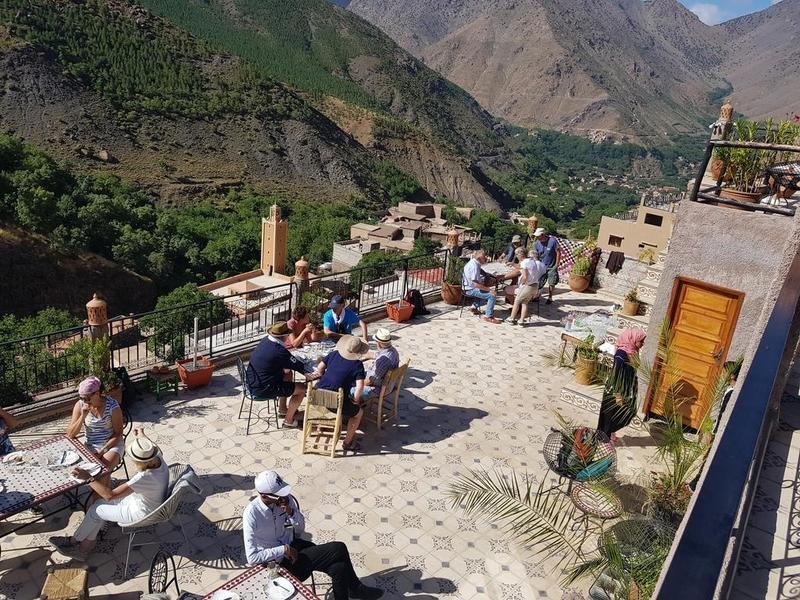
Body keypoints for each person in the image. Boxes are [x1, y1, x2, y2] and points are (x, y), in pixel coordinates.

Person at [243, 470, 383, 600]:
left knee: (339, 567)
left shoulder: (285, 500)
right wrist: (284, 549)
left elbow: (300, 530)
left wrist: (291, 513)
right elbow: (252, 557)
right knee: (339, 548)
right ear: (265, 496)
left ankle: (353, 590)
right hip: (279, 564)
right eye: (278, 494)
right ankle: (356, 589)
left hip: (294, 546)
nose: (283, 496)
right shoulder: (251, 514)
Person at [49, 431, 169, 560]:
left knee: (95, 510)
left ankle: (74, 542)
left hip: (142, 512)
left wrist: (88, 478)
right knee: (98, 505)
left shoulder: (144, 477)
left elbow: (109, 495)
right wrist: (141, 434)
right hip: (146, 502)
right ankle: (86, 546)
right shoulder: (158, 458)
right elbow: (149, 446)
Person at [247, 322, 318, 429]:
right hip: (263, 388)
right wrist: (309, 373)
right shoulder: (279, 351)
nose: (288, 337)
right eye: (287, 335)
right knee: (302, 389)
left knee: (288, 373)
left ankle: (283, 409)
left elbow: (287, 362)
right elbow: (297, 364)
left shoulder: (266, 340)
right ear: (283, 336)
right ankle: (288, 421)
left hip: (253, 381)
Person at [312, 336, 368, 452]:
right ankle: (348, 443)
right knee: (359, 413)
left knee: (344, 403)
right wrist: (356, 401)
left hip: (317, 396)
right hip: (335, 402)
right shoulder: (357, 365)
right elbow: (359, 387)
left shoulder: (334, 354)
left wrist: (323, 376)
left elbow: (320, 367)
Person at [67, 376, 124, 475]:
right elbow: (71, 434)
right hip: (90, 445)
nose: (85, 401)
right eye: (82, 398)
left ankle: (102, 485)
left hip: (111, 445)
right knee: (79, 471)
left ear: (97, 393)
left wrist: (102, 451)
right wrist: (83, 416)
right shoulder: (80, 405)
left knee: (102, 470)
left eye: (87, 398)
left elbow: (118, 434)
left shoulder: (112, 406)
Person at [597, 328, 647, 441]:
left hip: (626, 390)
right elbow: (616, 373)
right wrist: (618, 394)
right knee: (612, 412)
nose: (643, 343)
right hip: (617, 389)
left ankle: (608, 433)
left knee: (627, 412)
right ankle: (605, 436)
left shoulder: (632, 353)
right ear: (633, 339)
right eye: (641, 341)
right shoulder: (621, 354)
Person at [505, 250, 547, 325]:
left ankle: (511, 319)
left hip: (528, 285)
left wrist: (522, 284)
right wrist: (512, 264)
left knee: (517, 301)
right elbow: (521, 267)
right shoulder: (531, 261)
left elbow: (525, 276)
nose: (516, 256)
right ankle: (521, 321)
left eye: (516, 254)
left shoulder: (524, 262)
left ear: (520, 255)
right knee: (525, 302)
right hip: (535, 286)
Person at [358, 328, 400, 399]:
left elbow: (369, 381)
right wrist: (361, 353)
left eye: (376, 341)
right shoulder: (392, 351)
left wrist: (357, 384)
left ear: (379, 343)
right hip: (389, 384)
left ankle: (356, 403)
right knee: (358, 375)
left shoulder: (383, 360)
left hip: (380, 389)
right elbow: (376, 354)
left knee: (350, 387)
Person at [462, 249, 501, 324]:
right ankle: (488, 316)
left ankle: (473, 307)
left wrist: (486, 274)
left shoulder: (475, 262)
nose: (487, 258)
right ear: (480, 258)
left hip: (469, 286)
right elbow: (475, 284)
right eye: (485, 257)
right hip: (469, 289)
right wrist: (489, 289)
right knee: (492, 295)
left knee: (486, 291)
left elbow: (480, 269)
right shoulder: (474, 266)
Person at [712, 360, 742, 435]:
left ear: (732, 376)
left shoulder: (733, 392)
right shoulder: (728, 388)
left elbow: (724, 412)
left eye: (725, 373)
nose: (722, 375)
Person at [533, 227, 561, 304]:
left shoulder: (552, 241)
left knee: (552, 282)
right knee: (539, 282)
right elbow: (535, 255)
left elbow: (558, 252)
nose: (537, 238)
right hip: (541, 266)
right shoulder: (536, 244)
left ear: (543, 234)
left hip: (551, 266)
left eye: (538, 236)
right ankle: (537, 296)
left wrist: (556, 264)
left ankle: (550, 297)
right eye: (536, 236)